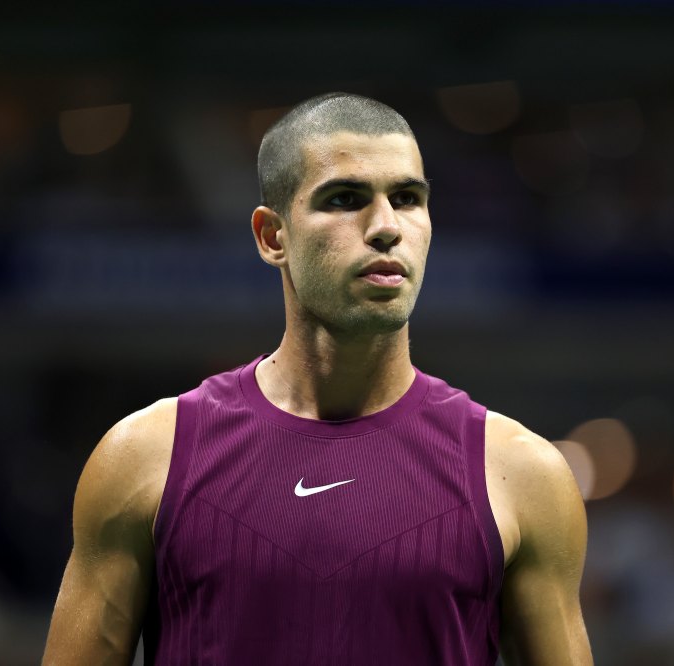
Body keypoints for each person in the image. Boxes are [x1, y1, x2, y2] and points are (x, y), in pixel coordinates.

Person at [43, 92, 592, 665]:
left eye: (407, 198)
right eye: (346, 198)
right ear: (272, 236)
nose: (385, 227)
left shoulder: (521, 476)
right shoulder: (144, 457)